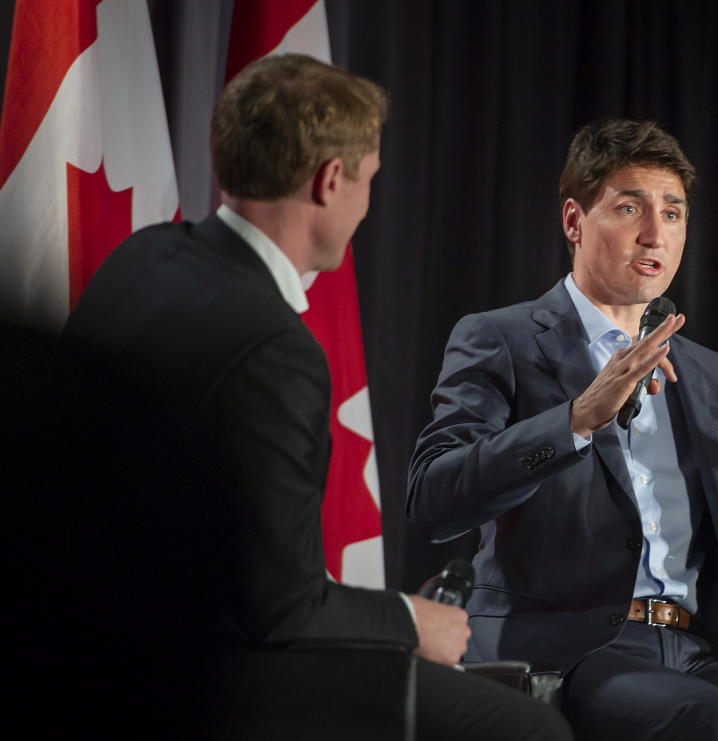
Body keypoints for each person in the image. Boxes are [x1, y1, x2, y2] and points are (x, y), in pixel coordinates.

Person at [62, 54, 572, 741]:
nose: (367, 201)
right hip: (192, 672)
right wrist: (411, 622)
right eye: (369, 180)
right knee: (530, 727)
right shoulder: (276, 348)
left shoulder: (143, 256)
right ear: (331, 181)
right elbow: (281, 607)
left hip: (76, 637)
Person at [407, 119, 718, 740]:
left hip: (695, 651)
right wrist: (574, 422)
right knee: (711, 723)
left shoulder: (707, 375)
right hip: (570, 652)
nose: (655, 233)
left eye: (673, 214)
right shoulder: (500, 339)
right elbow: (434, 501)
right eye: (629, 207)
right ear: (574, 222)